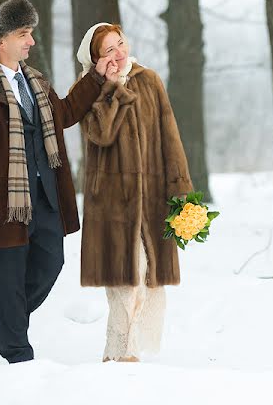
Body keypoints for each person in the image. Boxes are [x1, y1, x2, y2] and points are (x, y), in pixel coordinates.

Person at [0, 0, 117, 363]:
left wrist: (97, 76)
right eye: (24, 34)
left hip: (44, 195)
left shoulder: (36, 82)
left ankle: (5, 326)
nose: (31, 42)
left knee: (50, 262)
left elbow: (67, 112)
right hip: (1, 201)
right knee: (6, 277)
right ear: (1, 42)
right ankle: (17, 354)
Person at [76, 23, 193, 362]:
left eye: (121, 43)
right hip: (112, 203)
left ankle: (128, 353)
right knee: (126, 280)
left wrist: (181, 190)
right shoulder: (89, 90)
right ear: (96, 58)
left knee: (149, 278)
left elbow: (170, 137)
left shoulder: (149, 80)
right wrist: (111, 88)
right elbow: (100, 133)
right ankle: (120, 354)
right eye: (109, 49)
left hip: (153, 197)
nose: (118, 53)